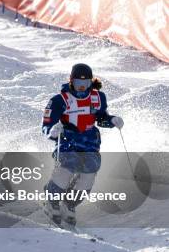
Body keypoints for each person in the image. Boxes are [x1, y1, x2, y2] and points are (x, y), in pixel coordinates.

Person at [41, 64, 124, 227]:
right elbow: (46, 124)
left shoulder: (98, 97)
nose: (81, 87)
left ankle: (69, 204)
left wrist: (112, 120)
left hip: (89, 142)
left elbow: (101, 118)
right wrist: (52, 131)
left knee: (88, 176)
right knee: (66, 169)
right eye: (78, 82)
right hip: (68, 141)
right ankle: (51, 201)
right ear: (71, 80)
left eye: (85, 84)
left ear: (91, 82)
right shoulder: (60, 100)